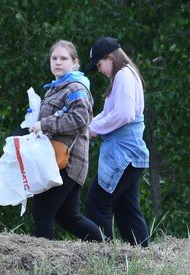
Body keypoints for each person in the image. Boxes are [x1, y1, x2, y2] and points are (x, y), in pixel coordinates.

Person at [27, 40, 103, 241]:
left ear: (75, 63)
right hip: (57, 160)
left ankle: (42, 266)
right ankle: (107, 249)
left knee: (42, 212)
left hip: (67, 162)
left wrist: (45, 124)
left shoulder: (75, 87)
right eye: (54, 58)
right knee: (67, 217)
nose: (58, 62)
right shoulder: (55, 88)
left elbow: (80, 120)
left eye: (63, 58)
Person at [83, 37, 151, 247]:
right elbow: (110, 112)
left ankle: (104, 254)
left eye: (99, 64)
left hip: (123, 154)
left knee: (96, 203)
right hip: (130, 154)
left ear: (110, 58)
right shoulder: (127, 75)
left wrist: (93, 129)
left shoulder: (123, 75)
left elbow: (124, 114)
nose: (100, 70)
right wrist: (89, 125)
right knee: (126, 208)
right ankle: (142, 254)